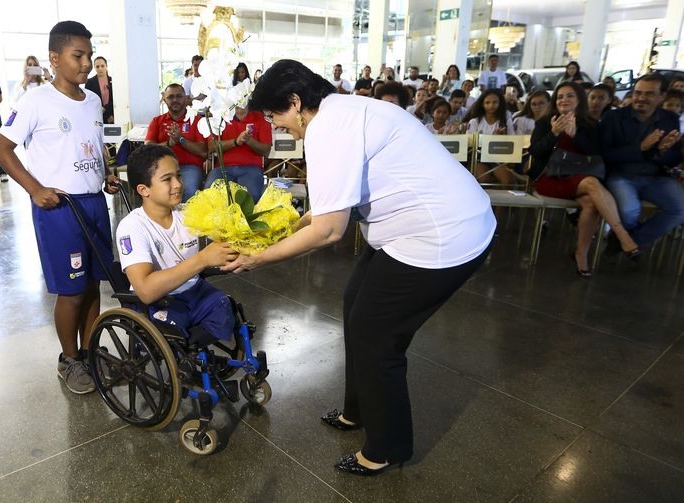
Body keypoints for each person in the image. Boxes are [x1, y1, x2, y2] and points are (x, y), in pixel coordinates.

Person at [223, 59, 495, 476]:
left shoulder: (328, 130)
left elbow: (331, 230)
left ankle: (387, 448)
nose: (275, 125)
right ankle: (358, 410)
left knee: (376, 335)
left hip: (441, 236)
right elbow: (330, 204)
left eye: (275, 115)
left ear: (296, 103)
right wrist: (286, 229)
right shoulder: (345, 110)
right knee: (355, 304)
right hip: (414, 228)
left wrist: (259, 257)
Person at [0, 20, 121, 395]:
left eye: (89, 55)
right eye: (77, 55)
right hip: (59, 209)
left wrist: (106, 173)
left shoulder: (94, 100)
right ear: (55, 57)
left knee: (95, 285)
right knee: (72, 290)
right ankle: (70, 360)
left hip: (94, 203)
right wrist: (34, 188)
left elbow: (93, 148)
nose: (86, 63)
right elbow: (2, 148)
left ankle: (91, 351)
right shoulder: (36, 101)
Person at [116, 144, 238, 343]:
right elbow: (146, 291)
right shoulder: (131, 227)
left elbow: (224, 236)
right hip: (159, 301)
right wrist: (203, 259)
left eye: (178, 176)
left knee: (226, 308)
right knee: (173, 333)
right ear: (143, 189)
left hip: (193, 290)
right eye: (167, 179)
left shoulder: (187, 214)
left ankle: (196, 358)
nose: (178, 184)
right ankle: (184, 359)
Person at [529, 81, 640, 275]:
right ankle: (623, 236)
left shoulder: (590, 124)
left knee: (590, 203)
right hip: (551, 178)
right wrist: (554, 133)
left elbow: (597, 153)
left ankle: (581, 253)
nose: (564, 99)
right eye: (560, 96)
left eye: (570, 96)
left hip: (580, 179)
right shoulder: (544, 122)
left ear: (579, 99)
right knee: (591, 184)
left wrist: (575, 135)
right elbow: (536, 153)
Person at [599, 73, 684, 250]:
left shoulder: (670, 119)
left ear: (661, 97)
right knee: (630, 211)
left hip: (656, 176)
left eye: (649, 94)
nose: (641, 98)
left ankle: (628, 242)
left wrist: (662, 151)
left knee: (680, 209)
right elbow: (604, 153)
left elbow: (673, 158)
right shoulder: (614, 118)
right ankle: (626, 242)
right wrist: (640, 148)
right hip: (621, 175)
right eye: (638, 93)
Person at [145, 84, 208, 202]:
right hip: (162, 168)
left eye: (179, 96)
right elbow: (148, 148)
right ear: (164, 100)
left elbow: (203, 152)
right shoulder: (157, 121)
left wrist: (180, 139)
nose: (175, 100)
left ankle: (184, 221)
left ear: (186, 98)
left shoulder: (197, 120)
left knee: (188, 190)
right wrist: (168, 144)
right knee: (157, 192)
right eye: (170, 97)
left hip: (190, 168)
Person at [204, 102, 272, 203]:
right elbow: (211, 146)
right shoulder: (221, 116)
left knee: (250, 198)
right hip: (223, 168)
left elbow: (266, 151)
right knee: (211, 196)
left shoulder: (260, 118)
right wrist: (235, 141)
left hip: (251, 169)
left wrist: (249, 140)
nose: (240, 102)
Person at [464, 89, 515, 184]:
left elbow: (513, 139)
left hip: (499, 157)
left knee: (507, 180)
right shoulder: (475, 121)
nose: (491, 105)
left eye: (495, 102)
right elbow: (470, 144)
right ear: (482, 104)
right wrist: (493, 138)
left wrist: (503, 138)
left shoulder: (505, 120)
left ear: (500, 103)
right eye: (487, 102)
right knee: (484, 179)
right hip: (478, 158)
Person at [85, 56, 114, 124]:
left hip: (111, 117)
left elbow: (116, 100)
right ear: (94, 67)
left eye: (102, 66)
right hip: (96, 118)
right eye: (97, 66)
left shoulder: (113, 81)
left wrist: (111, 115)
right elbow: (87, 101)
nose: (100, 68)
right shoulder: (89, 82)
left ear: (106, 66)